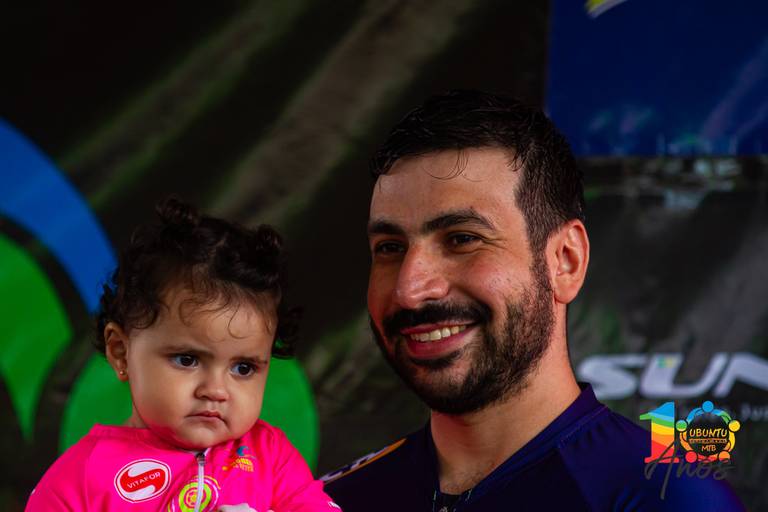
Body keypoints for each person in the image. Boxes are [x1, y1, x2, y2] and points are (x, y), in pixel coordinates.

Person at [322, 90, 745, 511]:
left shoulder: (667, 499)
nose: (410, 289)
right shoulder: (331, 502)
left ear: (565, 261)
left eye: (462, 239)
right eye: (390, 248)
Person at [26, 199, 340, 512]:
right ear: (121, 352)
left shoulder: (271, 455)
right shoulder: (77, 479)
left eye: (243, 368)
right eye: (187, 360)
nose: (215, 390)